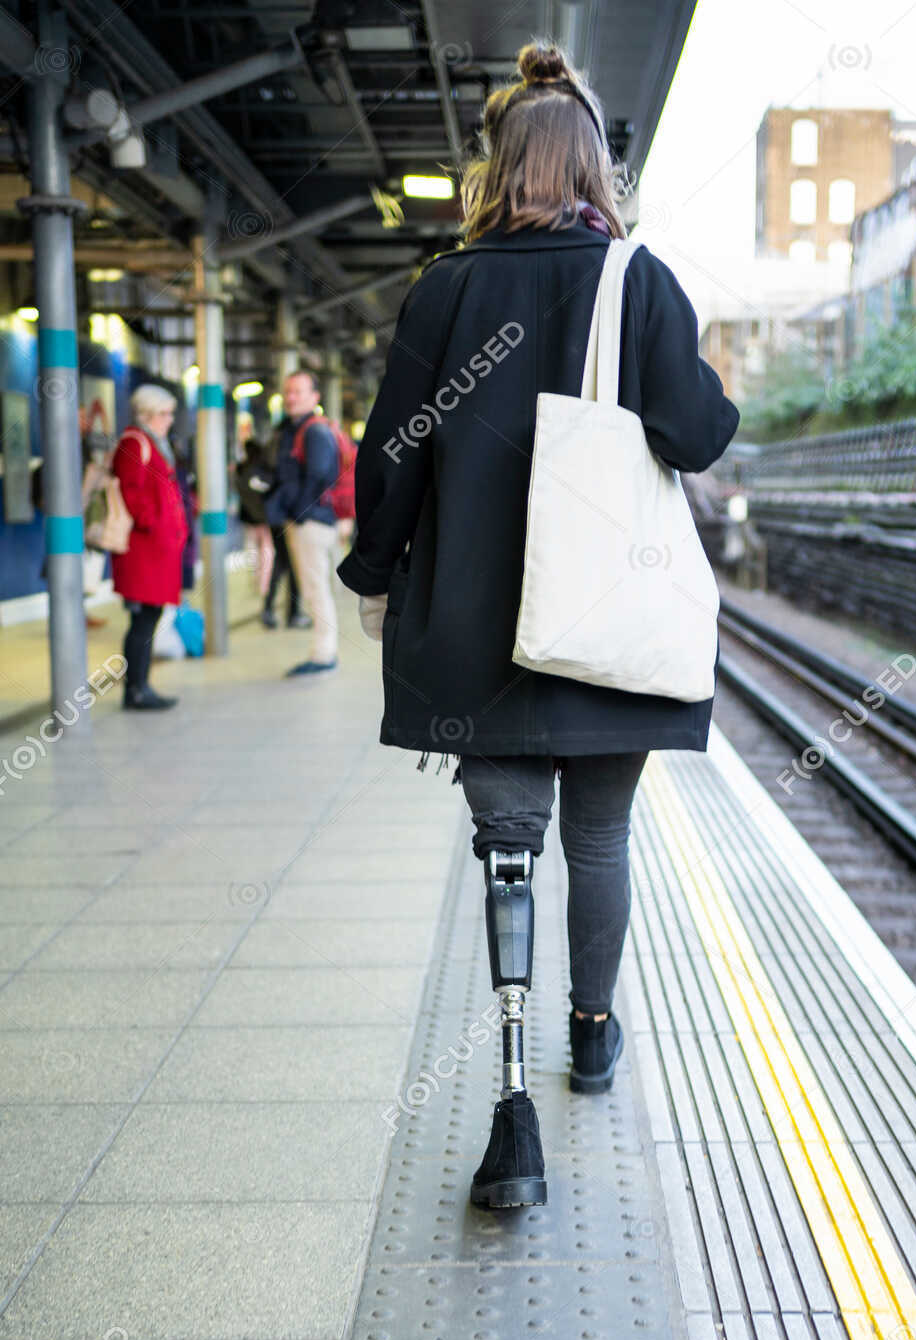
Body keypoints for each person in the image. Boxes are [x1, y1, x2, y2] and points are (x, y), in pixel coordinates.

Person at [338, 39, 739, 1208]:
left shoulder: (443, 289)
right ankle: (594, 1032)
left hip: (477, 633)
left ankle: (510, 1103)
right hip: (607, 631)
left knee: (507, 848)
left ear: (497, 164)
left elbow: (391, 455)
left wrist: (375, 575)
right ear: (593, 167)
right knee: (600, 844)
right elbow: (697, 435)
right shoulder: (639, 280)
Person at [111, 384, 188, 710]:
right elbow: (131, 490)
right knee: (143, 617)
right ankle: (136, 690)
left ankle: (141, 685)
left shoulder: (154, 441)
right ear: (147, 414)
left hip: (156, 547)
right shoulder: (134, 442)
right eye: (164, 414)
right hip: (143, 549)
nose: (170, 420)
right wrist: (153, 523)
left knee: (151, 615)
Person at [265, 371, 340, 673]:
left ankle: (323, 655)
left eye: (298, 391)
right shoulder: (296, 429)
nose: (291, 397)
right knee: (315, 588)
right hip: (311, 520)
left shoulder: (314, 432)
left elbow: (319, 474)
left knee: (314, 589)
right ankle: (324, 651)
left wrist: (300, 511)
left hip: (312, 523)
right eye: (288, 391)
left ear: (315, 397)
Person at [235, 438, 278, 623]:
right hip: (264, 516)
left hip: (248, 516)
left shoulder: (241, 467)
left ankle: (255, 578)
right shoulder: (264, 469)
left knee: (252, 546)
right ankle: (263, 582)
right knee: (267, 549)